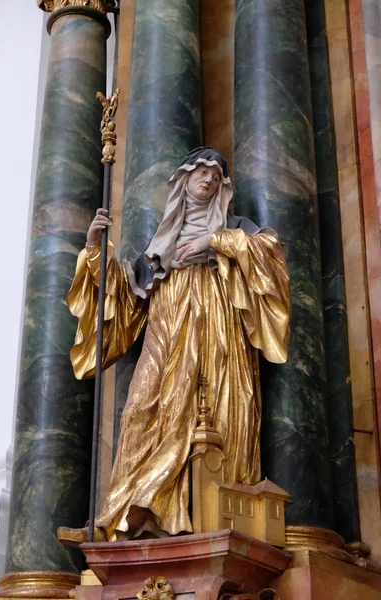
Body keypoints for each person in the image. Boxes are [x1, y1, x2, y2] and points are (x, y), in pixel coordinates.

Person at [58, 147, 290, 544]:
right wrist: (96, 249)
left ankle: (206, 516)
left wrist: (216, 242)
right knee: (139, 408)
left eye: (216, 177)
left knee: (217, 412)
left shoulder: (236, 226)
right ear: (183, 179)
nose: (208, 180)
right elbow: (125, 299)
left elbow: (272, 253)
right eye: (200, 172)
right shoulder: (160, 243)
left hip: (218, 332)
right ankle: (130, 510)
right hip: (166, 328)